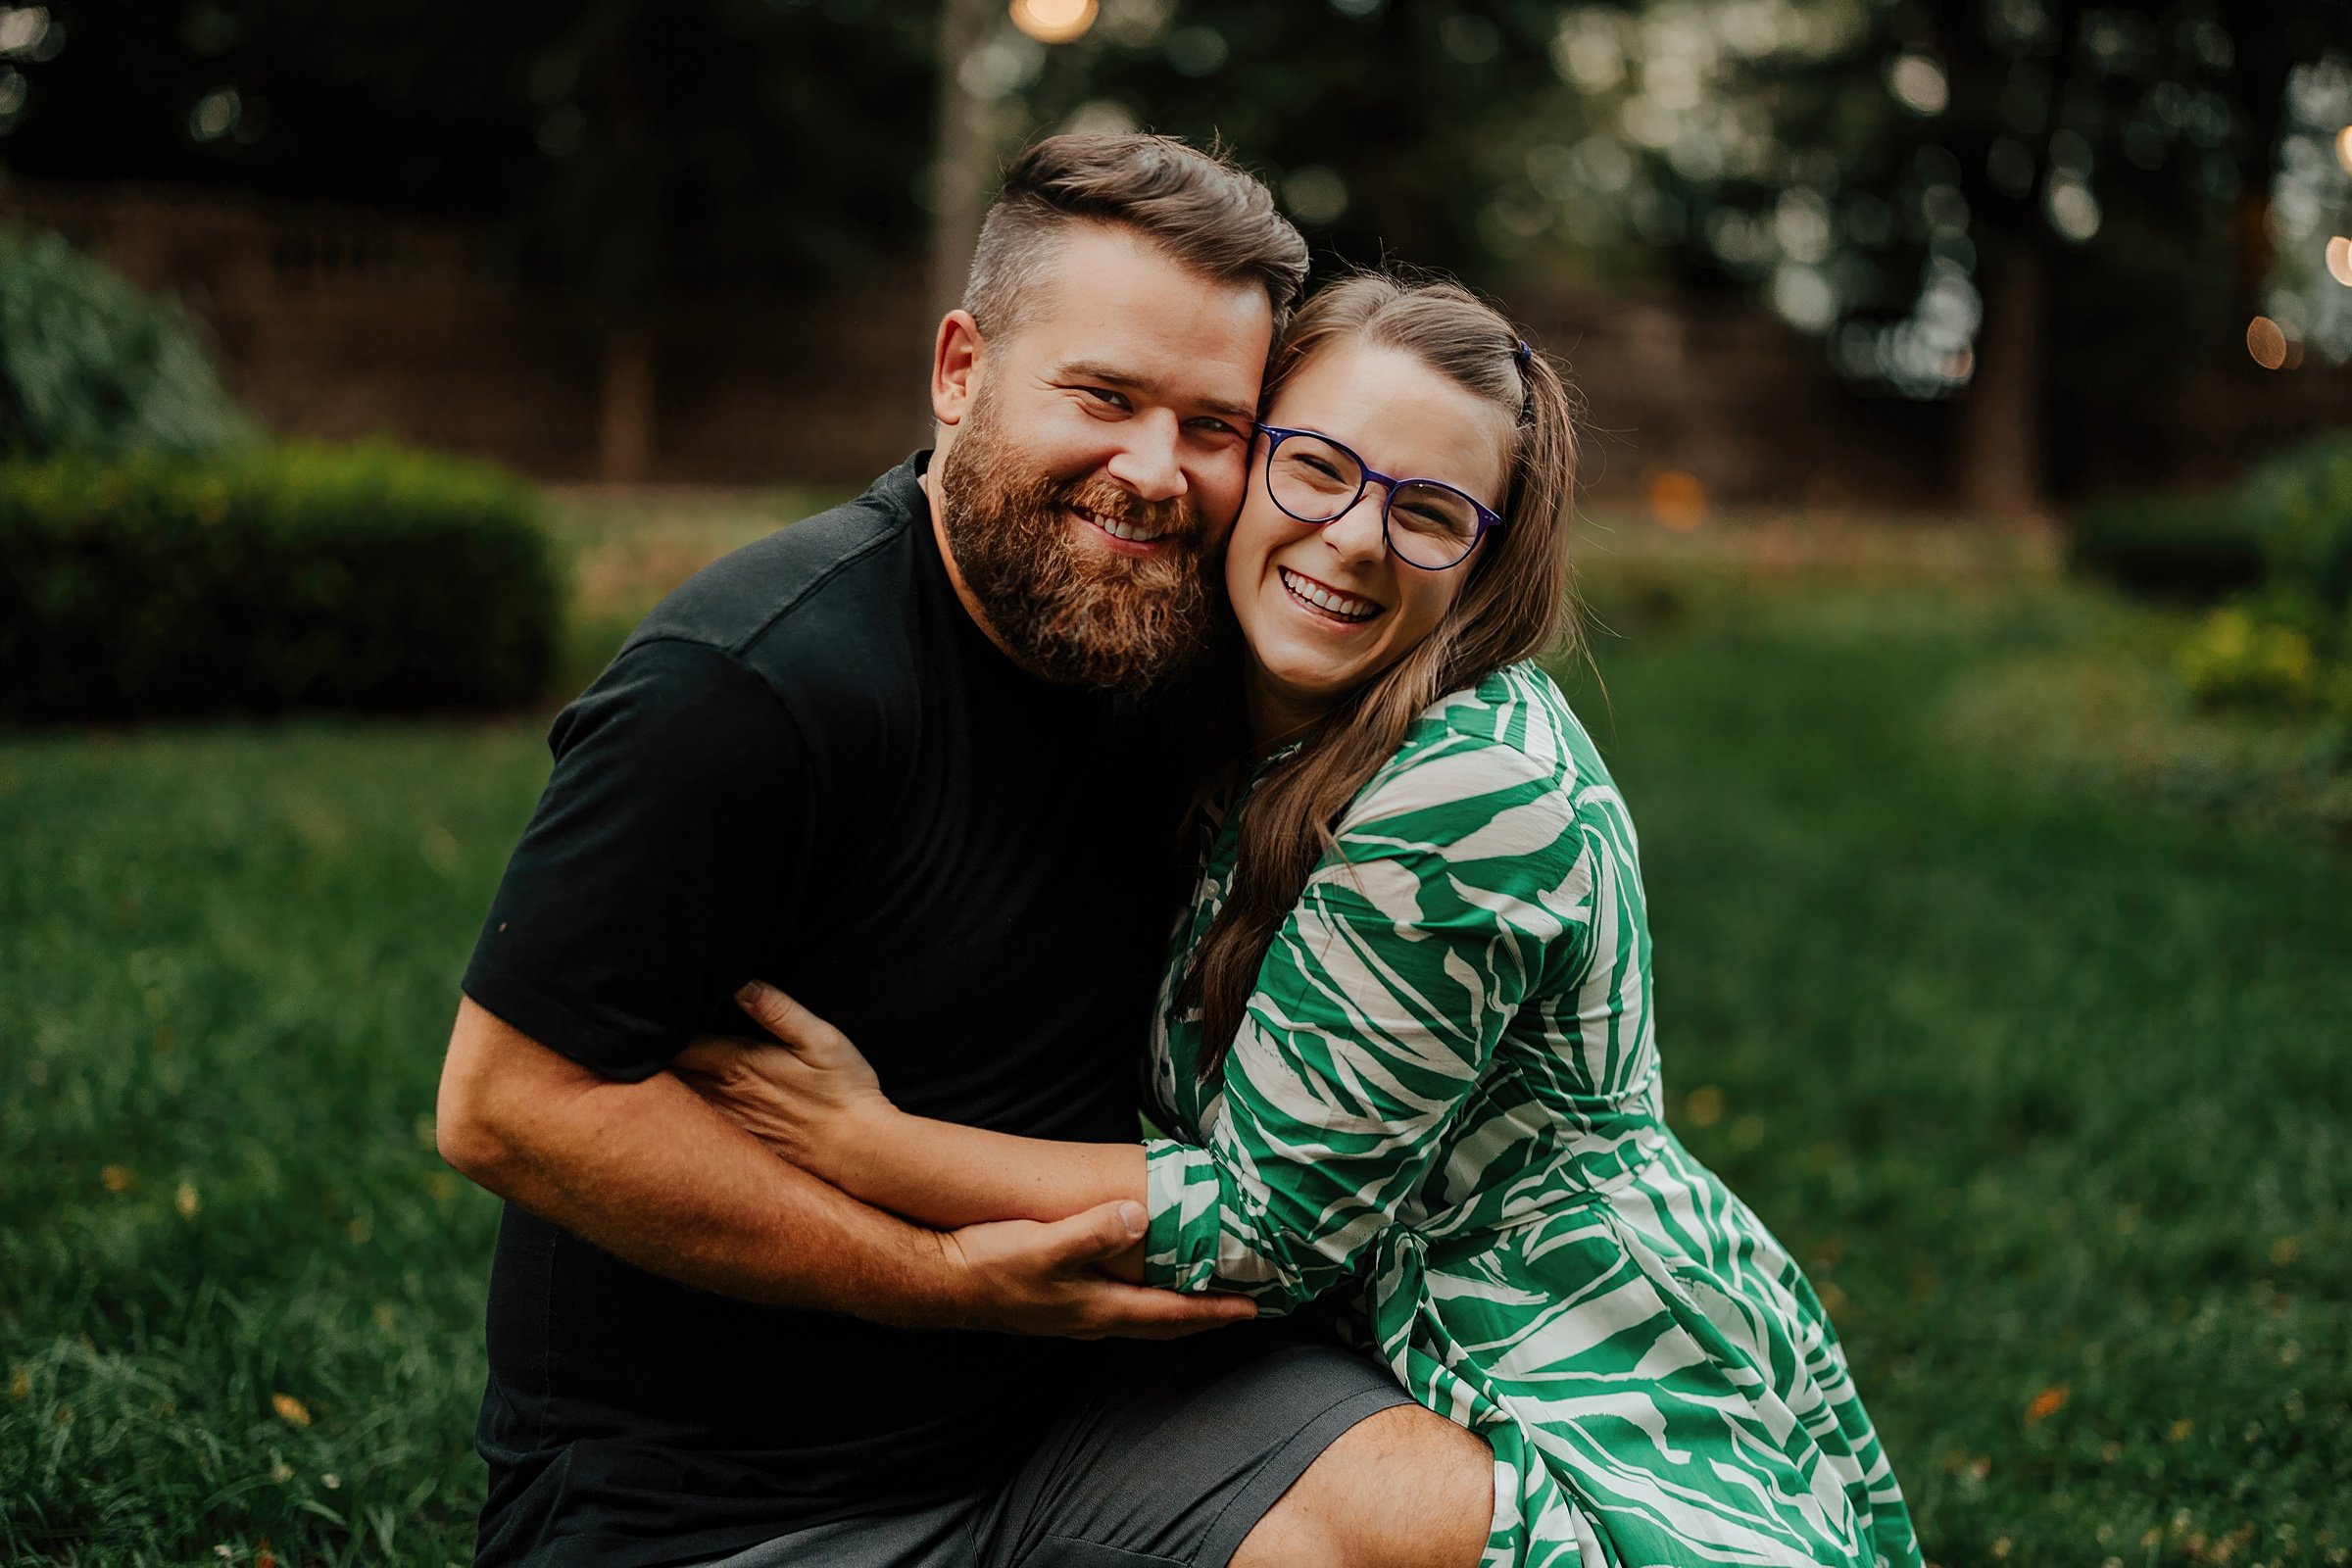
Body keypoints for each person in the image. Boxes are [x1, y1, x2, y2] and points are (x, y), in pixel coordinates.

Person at [678, 272, 1927, 1568]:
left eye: (1430, 512)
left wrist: (870, 1145)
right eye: (1317, 467)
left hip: (1562, 1368)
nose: (1353, 538)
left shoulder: (1471, 795)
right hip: (1342, 1364)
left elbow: (1262, 1229)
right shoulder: (1232, 711)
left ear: (1486, 559)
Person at [434, 136, 1495, 1568]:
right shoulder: (752, 685)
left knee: (1442, 1513)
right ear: (958, 370)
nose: (1154, 472)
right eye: (1105, 396)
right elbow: (509, 1105)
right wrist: (938, 1280)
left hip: (1071, 1431)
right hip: (718, 1506)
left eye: (1213, 424)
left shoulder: (1177, 655)